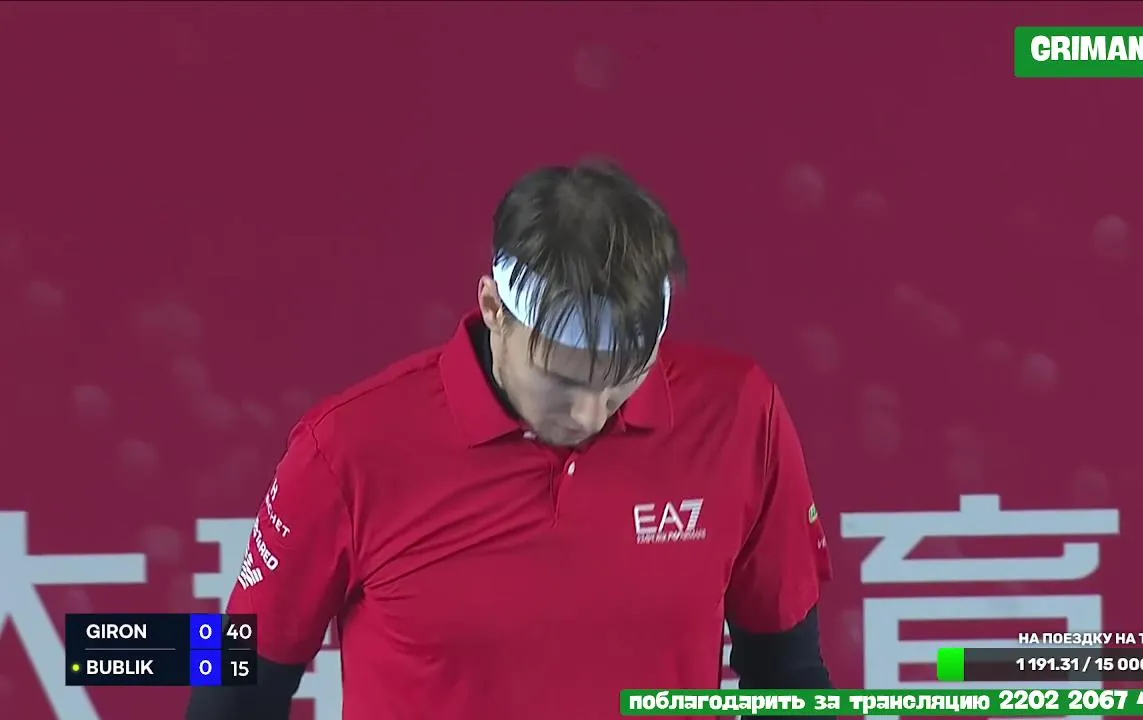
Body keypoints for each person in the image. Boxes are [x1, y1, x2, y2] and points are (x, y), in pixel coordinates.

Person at [186, 161, 833, 720]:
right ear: (494, 308)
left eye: (621, 383)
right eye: (560, 379)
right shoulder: (346, 448)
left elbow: (789, 675)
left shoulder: (740, 415)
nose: (588, 415)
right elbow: (236, 686)